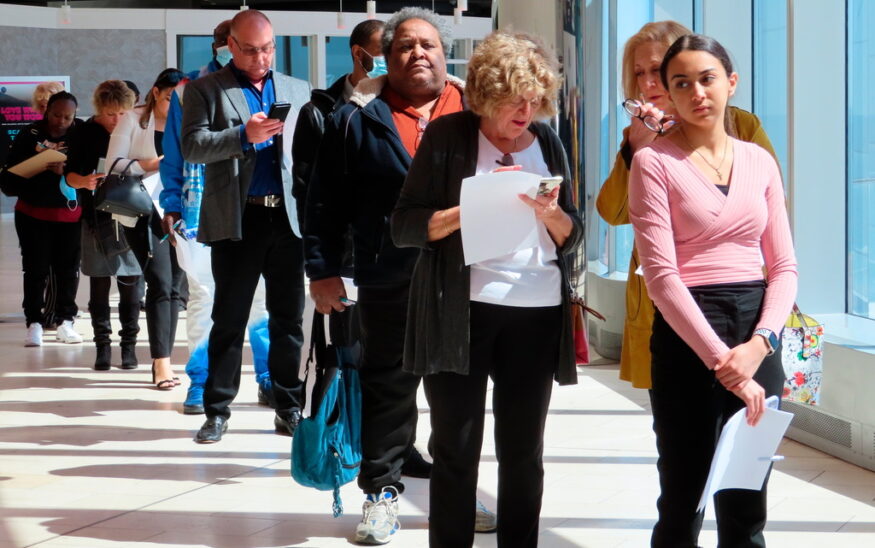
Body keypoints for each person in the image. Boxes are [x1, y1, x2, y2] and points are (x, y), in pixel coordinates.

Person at [305, 7, 495, 544]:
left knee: (458, 397)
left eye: (428, 44)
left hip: (468, 277)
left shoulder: (478, 112)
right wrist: (322, 270)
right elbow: (324, 202)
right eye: (405, 46)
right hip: (388, 276)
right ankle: (381, 495)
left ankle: (456, 496)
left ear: (445, 53)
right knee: (388, 388)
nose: (418, 53)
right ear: (385, 58)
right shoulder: (355, 118)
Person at [391, 31, 583, 548]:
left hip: (537, 313)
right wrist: (466, 211)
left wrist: (553, 215)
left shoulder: (547, 142)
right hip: (462, 313)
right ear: (488, 94)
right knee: (455, 448)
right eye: (515, 100)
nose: (526, 112)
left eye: (535, 100)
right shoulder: (448, 136)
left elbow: (572, 233)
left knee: (524, 452)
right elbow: (404, 225)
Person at [628, 34, 797, 547]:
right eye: (681, 84)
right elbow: (662, 277)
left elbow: (784, 266)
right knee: (684, 499)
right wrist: (724, 362)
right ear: (668, 95)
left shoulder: (759, 161)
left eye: (707, 79)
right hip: (689, 332)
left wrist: (760, 345)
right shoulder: (653, 163)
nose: (697, 92)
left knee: (746, 506)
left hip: (756, 331)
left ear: (731, 83)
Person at [595, 20, 777, 390]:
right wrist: (635, 149)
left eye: (657, 70)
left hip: (740, 293)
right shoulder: (641, 137)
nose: (649, 83)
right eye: (639, 73)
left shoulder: (741, 126)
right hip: (664, 295)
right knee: (677, 406)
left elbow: (773, 210)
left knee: (745, 410)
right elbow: (612, 212)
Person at [181, 9, 310, 443]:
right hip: (239, 217)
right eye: (251, 50)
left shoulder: (296, 88)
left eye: (268, 48)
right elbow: (192, 146)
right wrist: (242, 137)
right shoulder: (205, 89)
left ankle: (289, 407)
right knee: (229, 318)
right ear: (231, 46)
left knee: (288, 320)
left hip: (288, 217)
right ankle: (217, 410)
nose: (261, 58)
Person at [161, 19, 276, 414]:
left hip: (256, 207)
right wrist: (172, 203)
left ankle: (267, 377)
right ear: (224, 44)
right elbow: (176, 152)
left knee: (261, 298)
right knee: (205, 295)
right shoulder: (190, 89)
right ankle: (202, 379)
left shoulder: (267, 84)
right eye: (237, 45)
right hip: (200, 207)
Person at [106, 68, 187, 390]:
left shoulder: (188, 120)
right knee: (160, 282)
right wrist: (152, 164)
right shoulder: (133, 119)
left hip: (181, 209)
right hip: (143, 208)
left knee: (176, 286)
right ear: (155, 92)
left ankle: (165, 357)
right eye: (169, 98)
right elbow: (113, 164)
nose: (174, 106)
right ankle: (161, 362)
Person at [65, 80, 142, 371]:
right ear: (99, 110)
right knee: (99, 282)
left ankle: (129, 346)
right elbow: (69, 174)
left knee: (131, 282)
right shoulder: (83, 132)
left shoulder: (137, 127)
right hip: (95, 217)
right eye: (110, 114)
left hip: (131, 214)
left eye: (122, 113)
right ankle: (102, 347)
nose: (117, 120)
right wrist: (84, 181)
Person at [0, 91, 83, 347]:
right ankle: (34, 322)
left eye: (68, 117)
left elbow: (90, 168)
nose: (61, 121)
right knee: (35, 269)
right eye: (57, 115)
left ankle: (66, 320)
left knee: (67, 270)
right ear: (47, 111)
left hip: (69, 213)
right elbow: (11, 172)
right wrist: (36, 165)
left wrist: (66, 170)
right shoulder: (30, 133)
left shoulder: (81, 133)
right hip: (32, 212)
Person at [29, 81, 66, 329]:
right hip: (36, 203)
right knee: (38, 263)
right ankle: (37, 309)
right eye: (41, 105)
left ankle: (54, 311)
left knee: (60, 264)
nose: (45, 110)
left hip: (65, 203)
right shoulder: (32, 132)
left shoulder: (75, 131)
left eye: (49, 105)